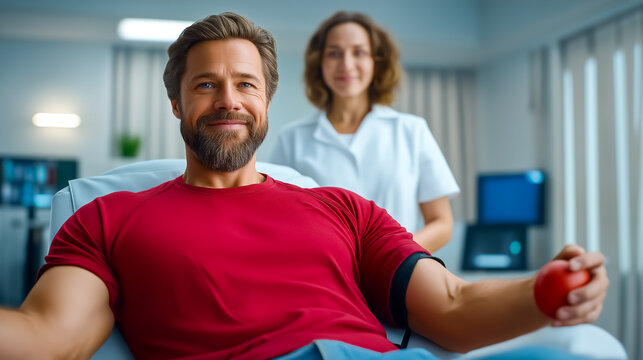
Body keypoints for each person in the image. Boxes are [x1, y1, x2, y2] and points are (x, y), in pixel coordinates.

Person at [0, 12, 608, 360]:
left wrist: (546, 291)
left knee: (589, 345)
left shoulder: (346, 210)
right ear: (176, 101)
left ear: (265, 101)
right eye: (205, 84)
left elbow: (451, 307)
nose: (228, 100)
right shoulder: (105, 219)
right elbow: (49, 337)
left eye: (245, 84)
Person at [271, 12, 459, 253]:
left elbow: (441, 223)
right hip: (325, 277)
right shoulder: (292, 139)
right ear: (320, 63)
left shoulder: (412, 131)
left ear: (376, 62)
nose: (346, 64)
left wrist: (394, 257)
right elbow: (278, 221)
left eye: (359, 52)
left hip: (398, 275)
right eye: (334, 53)